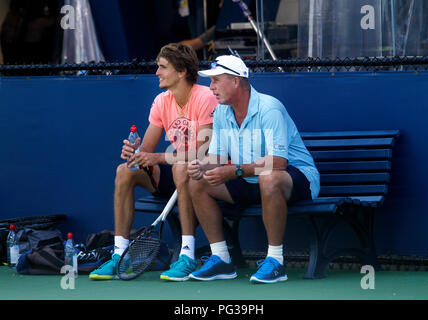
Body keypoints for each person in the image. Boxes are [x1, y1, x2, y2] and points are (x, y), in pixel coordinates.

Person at [89, 43, 218, 281]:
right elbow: (146, 149)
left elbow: (202, 153)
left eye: (162, 67)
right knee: (124, 171)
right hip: (177, 172)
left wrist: (157, 157)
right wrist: (134, 153)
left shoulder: (205, 97)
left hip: (207, 174)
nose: (157, 72)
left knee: (182, 168)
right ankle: (119, 255)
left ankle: (187, 255)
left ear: (181, 72)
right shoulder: (161, 101)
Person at [186, 55, 320, 283]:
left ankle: (276, 261)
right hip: (250, 179)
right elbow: (217, 158)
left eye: (217, 81)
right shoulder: (220, 112)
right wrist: (200, 165)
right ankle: (221, 259)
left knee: (269, 178)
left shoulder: (269, 108)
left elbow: (278, 163)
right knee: (198, 182)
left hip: (296, 178)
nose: (212, 88)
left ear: (236, 81)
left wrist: (233, 171)